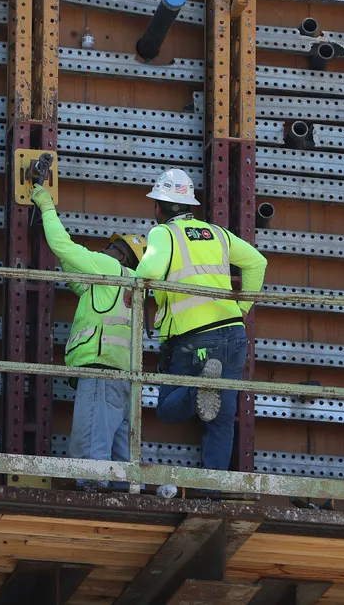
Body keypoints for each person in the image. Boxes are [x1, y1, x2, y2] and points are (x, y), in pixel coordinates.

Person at [136, 168, 268, 483]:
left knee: (168, 408)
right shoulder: (217, 233)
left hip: (191, 339)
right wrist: (242, 307)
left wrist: (134, 290)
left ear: (159, 207)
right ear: (189, 205)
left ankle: (200, 387)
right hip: (234, 334)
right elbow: (257, 262)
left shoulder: (163, 234)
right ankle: (212, 490)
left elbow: (149, 269)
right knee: (222, 420)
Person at [31, 181, 145, 492]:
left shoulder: (109, 269)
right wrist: (50, 228)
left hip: (101, 375)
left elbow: (64, 248)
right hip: (125, 383)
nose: (103, 250)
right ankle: (128, 502)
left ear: (120, 256)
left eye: (111, 248)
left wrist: (45, 206)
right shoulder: (130, 286)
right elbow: (71, 268)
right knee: (122, 457)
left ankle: (92, 501)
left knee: (91, 449)